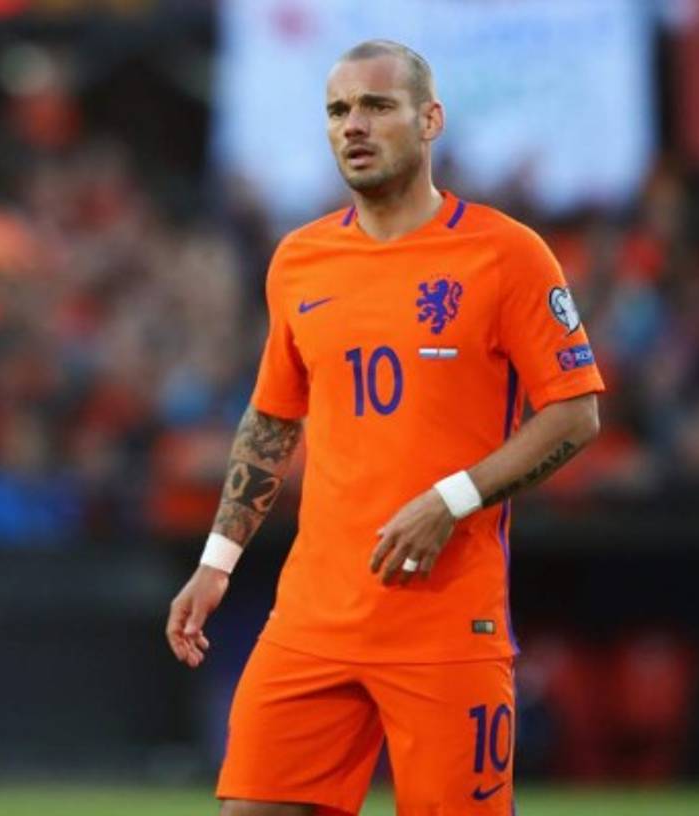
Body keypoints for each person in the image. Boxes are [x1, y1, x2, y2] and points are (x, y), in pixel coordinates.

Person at [166, 40, 604, 815]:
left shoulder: (506, 254)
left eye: (376, 106)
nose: (354, 126)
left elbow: (575, 413)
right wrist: (217, 561)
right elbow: (272, 420)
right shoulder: (300, 259)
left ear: (429, 120)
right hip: (313, 617)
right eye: (338, 110)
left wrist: (452, 500)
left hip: (446, 622)